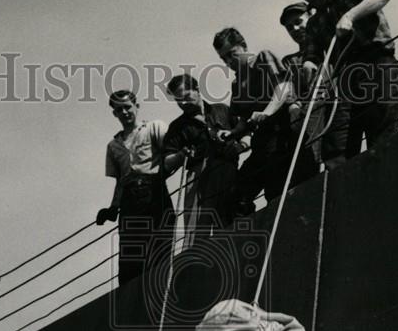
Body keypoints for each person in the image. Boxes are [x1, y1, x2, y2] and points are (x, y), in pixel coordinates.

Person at [287, 0, 398, 158]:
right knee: (339, 144)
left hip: (377, 64)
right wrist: (308, 64)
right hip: (347, 79)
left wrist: (350, 16)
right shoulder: (314, 23)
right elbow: (312, 54)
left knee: (382, 131)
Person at [212, 27, 296, 214]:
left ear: (243, 46)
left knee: (275, 192)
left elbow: (284, 87)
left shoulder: (263, 59)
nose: (228, 62)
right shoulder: (236, 84)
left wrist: (266, 112)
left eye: (231, 55)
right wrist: (233, 133)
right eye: (223, 59)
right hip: (261, 142)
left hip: (281, 131)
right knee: (234, 199)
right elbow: (243, 119)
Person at [96, 90, 174, 287]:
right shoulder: (113, 145)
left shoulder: (154, 128)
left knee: (159, 252)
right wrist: (112, 208)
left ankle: (160, 296)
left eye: (127, 107)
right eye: (119, 109)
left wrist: (159, 176)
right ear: (114, 114)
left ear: (136, 106)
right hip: (129, 202)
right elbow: (120, 181)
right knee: (130, 261)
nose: (124, 112)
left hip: (154, 193)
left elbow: (171, 154)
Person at [162, 73, 245, 245]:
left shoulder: (222, 109)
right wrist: (181, 155)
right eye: (178, 100)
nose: (182, 103)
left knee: (232, 224)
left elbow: (245, 131)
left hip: (228, 170)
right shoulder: (177, 127)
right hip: (199, 178)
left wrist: (241, 146)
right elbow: (167, 162)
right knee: (197, 234)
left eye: (185, 97)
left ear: (197, 90)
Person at [278, 2, 328, 179]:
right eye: (290, 27)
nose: (295, 29)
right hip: (305, 114)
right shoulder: (290, 61)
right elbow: (288, 87)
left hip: (331, 104)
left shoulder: (327, 46)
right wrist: (292, 103)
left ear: (310, 17)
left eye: (299, 21)